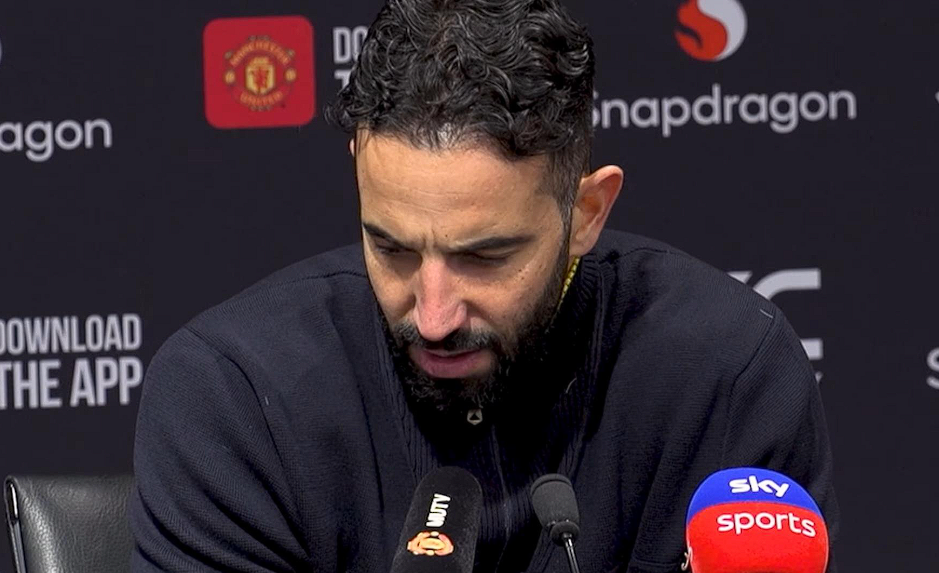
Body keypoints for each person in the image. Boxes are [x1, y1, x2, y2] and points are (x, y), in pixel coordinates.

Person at [129, 0, 839, 571]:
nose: (433, 314)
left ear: (586, 213)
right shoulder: (231, 396)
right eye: (392, 247)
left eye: (484, 256)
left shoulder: (728, 374)